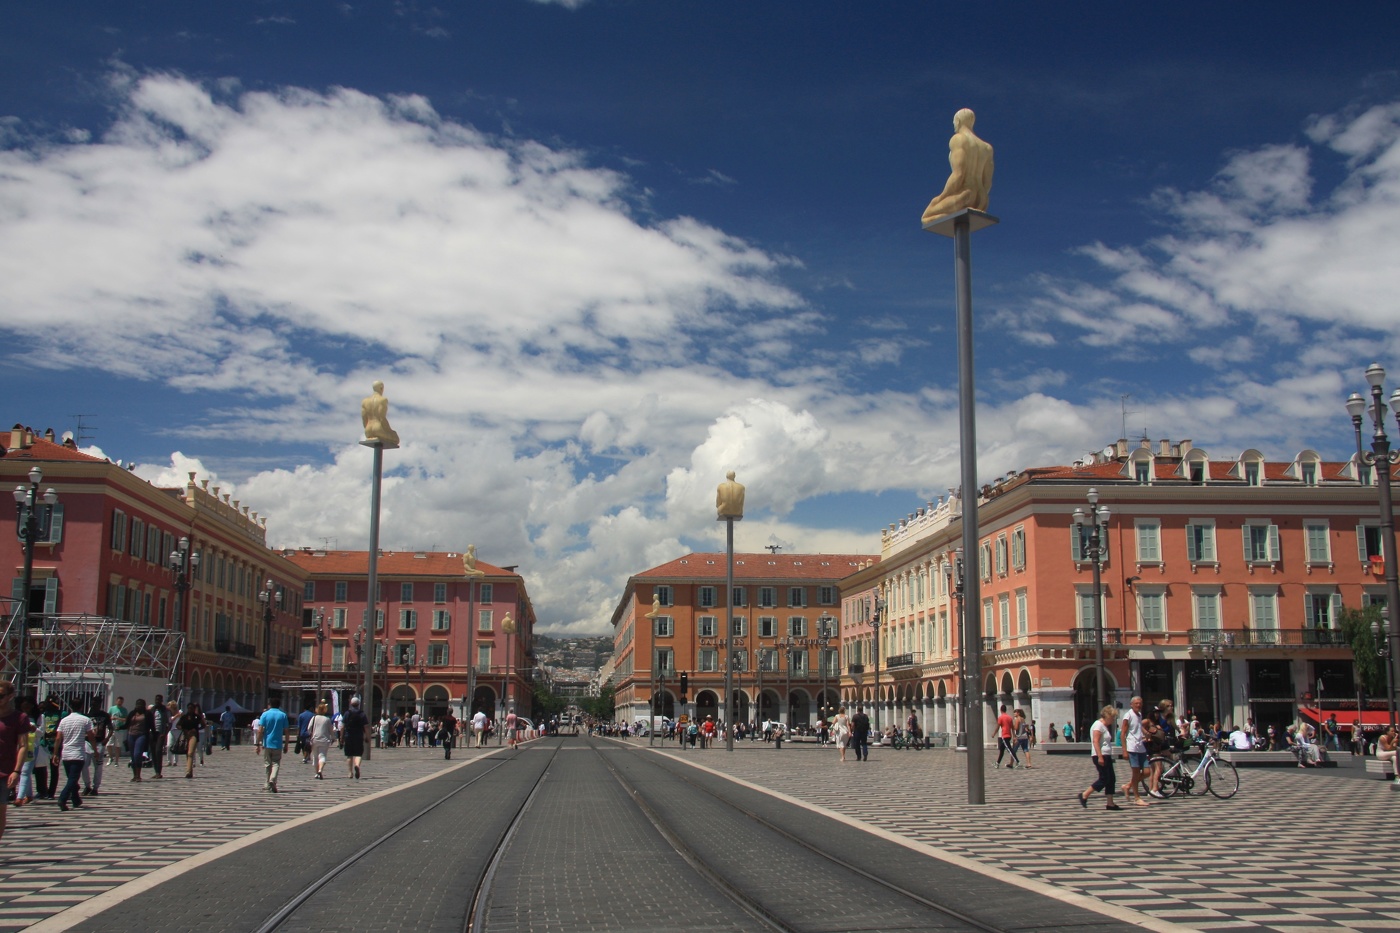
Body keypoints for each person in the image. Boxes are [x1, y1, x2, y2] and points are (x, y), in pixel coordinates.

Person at [921, 108, 995, 225]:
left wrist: (942, 196)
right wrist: (981, 197)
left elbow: (958, 174)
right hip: (982, 199)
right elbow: (987, 182)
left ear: (958, 121)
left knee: (926, 217)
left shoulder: (958, 139)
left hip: (964, 194)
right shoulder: (987, 148)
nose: (954, 125)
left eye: (954, 122)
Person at [0, 682, 33, 840]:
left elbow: (22, 745)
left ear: (10, 696)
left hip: (4, 771)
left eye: (1, 696)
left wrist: (16, 770)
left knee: (0, 811)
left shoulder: (19, 718)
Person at [1078, 705, 1122, 811]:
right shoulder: (1098, 725)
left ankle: (1110, 803)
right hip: (1100, 755)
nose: (1113, 720)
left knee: (1111, 779)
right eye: (1112, 717)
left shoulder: (1103, 726)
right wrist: (1100, 756)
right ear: (1107, 715)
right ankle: (1085, 794)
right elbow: (1096, 741)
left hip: (1106, 755)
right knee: (1104, 778)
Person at [55, 698, 95, 812]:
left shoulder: (64, 720)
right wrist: (95, 750)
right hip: (78, 753)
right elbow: (91, 736)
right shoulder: (85, 720)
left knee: (71, 779)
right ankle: (63, 798)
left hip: (66, 753)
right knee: (73, 779)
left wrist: (55, 753)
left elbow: (58, 738)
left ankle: (75, 799)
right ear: (82, 706)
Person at [1119, 696, 1151, 807]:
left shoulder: (1139, 715)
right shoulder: (1128, 715)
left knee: (1147, 772)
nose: (1138, 705)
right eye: (1136, 703)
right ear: (1131, 704)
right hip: (1132, 747)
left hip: (1141, 746)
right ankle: (1137, 797)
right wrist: (1124, 750)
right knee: (1136, 773)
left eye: (1140, 703)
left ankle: (1128, 786)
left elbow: (1138, 726)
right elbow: (1123, 733)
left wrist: (1145, 732)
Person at [257, 696, 289, 792]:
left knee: (267, 764)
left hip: (267, 743)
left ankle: (267, 782)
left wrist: (257, 743)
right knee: (276, 763)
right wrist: (286, 744)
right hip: (278, 744)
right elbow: (286, 731)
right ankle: (273, 779)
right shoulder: (283, 715)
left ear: (269, 704)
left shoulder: (265, 714)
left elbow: (260, 730)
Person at [360, 380, 400, 447]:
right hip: (378, 428)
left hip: (368, 430)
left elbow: (364, 418)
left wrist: (367, 429)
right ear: (381, 388)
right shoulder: (383, 400)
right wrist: (389, 430)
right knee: (396, 438)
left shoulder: (365, 401)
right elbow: (382, 418)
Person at [84, 698, 109, 796]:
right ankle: (87, 785)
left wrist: (107, 738)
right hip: (88, 742)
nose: (94, 706)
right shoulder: (87, 716)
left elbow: (110, 728)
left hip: (99, 743)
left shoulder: (104, 715)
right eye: (92, 704)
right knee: (84, 765)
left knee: (98, 766)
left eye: (96, 704)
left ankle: (95, 787)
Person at [342, 697, 370, 780]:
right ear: (359, 704)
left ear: (351, 703)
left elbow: (342, 726)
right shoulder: (362, 714)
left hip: (348, 736)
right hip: (358, 736)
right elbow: (366, 727)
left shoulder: (347, 713)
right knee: (358, 754)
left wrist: (341, 737)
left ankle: (350, 773)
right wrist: (367, 737)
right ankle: (357, 765)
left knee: (349, 755)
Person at [177, 703, 205, 778]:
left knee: (190, 752)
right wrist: (184, 729)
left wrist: (196, 729)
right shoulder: (184, 717)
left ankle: (188, 771)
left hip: (194, 735)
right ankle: (190, 770)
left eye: (192, 708)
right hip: (186, 735)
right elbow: (178, 725)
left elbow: (203, 725)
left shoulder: (197, 717)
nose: (190, 709)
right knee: (187, 753)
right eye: (189, 708)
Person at [309, 703, 334, 779]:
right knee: (322, 756)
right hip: (324, 740)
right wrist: (333, 738)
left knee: (315, 757)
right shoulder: (327, 719)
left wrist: (311, 734)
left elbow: (309, 728)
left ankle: (316, 773)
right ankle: (320, 770)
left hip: (314, 740)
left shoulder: (314, 718)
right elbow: (331, 730)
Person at [127, 699, 150, 781]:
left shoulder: (147, 714)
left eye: (140, 705)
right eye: (137, 704)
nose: (138, 706)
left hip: (141, 735)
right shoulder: (132, 713)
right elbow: (127, 724)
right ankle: (134, 775)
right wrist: (119, 727)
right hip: (131, 735)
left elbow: (151, 725)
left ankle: (138, 775)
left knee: (137, 754)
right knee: (133, 756)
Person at [148, 694, 171, 778]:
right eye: (156, 700)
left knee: (158, 751)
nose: (157, 701)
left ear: (161, 701)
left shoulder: (165, 710)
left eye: (159, 700)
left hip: (161, 733)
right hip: (153, 733)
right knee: (153, 752)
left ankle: (159, 771)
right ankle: (156, 771)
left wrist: (165, 733)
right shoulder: (152, 710)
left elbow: (169, 723)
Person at [995, 704, 1018, 769]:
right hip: (1009, 735)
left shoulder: (1001, 717)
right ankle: (997, 763)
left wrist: (994, 734)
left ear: (1000, 710)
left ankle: (1017, 761)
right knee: (1002, 750)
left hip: (1005, 735)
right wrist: (1014, 736)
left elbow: (998, 727)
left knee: (1009, 749)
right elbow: (1012, 728)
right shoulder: (1010, 718)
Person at [106, 695, 127, 765]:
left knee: (118, 746)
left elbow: (126, 719)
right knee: (108, 744)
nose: (119, 703)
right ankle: (110, 757)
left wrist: (118, 719)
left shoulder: (124, 710)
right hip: (112, 729)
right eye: (118, 701)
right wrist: (111, 718)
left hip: (119, 729)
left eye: (121, 702)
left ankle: (116, 761)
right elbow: (107, 717)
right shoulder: (112, 709)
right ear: (116, 701)